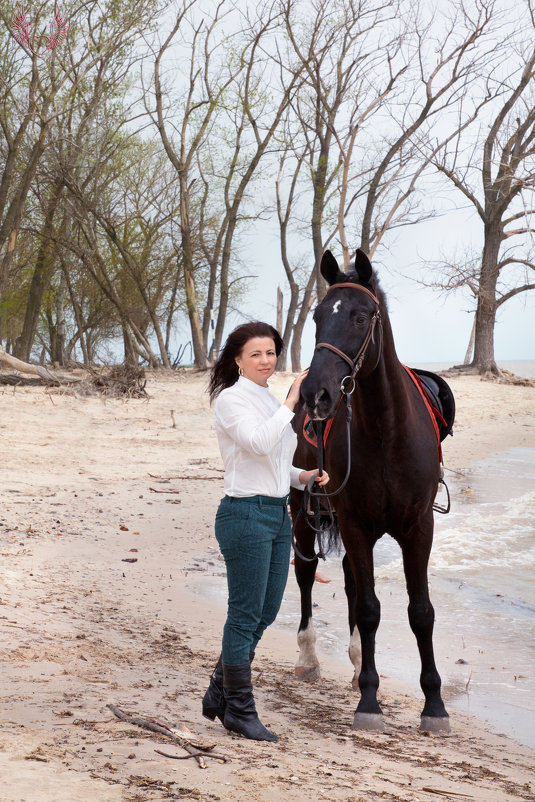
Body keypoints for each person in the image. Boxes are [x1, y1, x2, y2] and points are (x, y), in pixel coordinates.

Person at [202, 321, 329, 743]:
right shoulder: (231, 401)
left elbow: (274, 462)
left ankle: (221, 688)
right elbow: (257, 444)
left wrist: (303, 476)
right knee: (243, 616)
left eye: (271, 352)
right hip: (244, 515)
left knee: (267, 611)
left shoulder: (267, 399)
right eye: (256, 353)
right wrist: (291, 402)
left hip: (276, 515)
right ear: (237, 359)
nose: (266, 360)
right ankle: (239, 709)